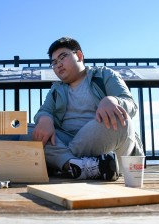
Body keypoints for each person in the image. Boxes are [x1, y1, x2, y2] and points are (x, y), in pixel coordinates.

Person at [29, 37, 144, 181]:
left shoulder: (104, 75)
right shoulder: (56, 89)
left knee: (122, 122)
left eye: (62, 57)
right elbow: (44, 111)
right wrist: (44, 119)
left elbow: (131, 105)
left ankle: (63, 162)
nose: (58, 65)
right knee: (28, 131)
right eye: (54, 62)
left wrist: (112, 100)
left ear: (79, 56)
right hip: (65, 138)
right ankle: (83, 166)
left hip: (100, 140)